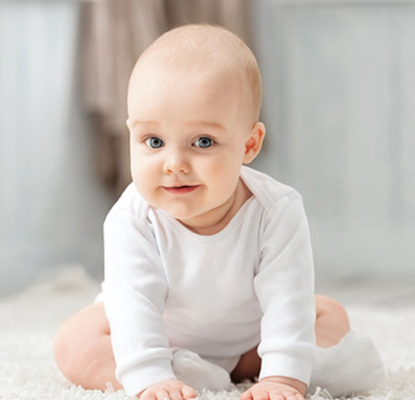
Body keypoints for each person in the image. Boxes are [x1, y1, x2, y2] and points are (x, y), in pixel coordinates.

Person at [54, 24, 384, 400]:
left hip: (249, 343)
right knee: (74, 341)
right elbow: (134, 304)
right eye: (154, 141)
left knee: (325, 312)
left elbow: (285, 296)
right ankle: (177, 372)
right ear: (131, 135)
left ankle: (287, 369)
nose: (174, 163)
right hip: (157, 334)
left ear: (248, 145)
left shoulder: (276, 210)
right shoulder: (131, 218)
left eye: (203, 142)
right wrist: (149, 377)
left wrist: (283, 377)